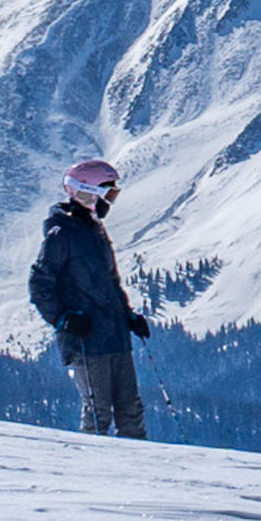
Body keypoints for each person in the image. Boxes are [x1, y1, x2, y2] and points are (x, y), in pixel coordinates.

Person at [28, 159, 153, 440]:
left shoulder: (95, 231)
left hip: (115, 335)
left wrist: (128, 316)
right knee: (98, 413)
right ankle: (92, 475)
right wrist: (62, 318)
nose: (110, 201)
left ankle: (139, 473)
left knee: (131, 411)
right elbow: (39, 284)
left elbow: (110, 284)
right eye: (107, 193)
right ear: (85, 192)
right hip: (86, 340)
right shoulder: (60, 235)